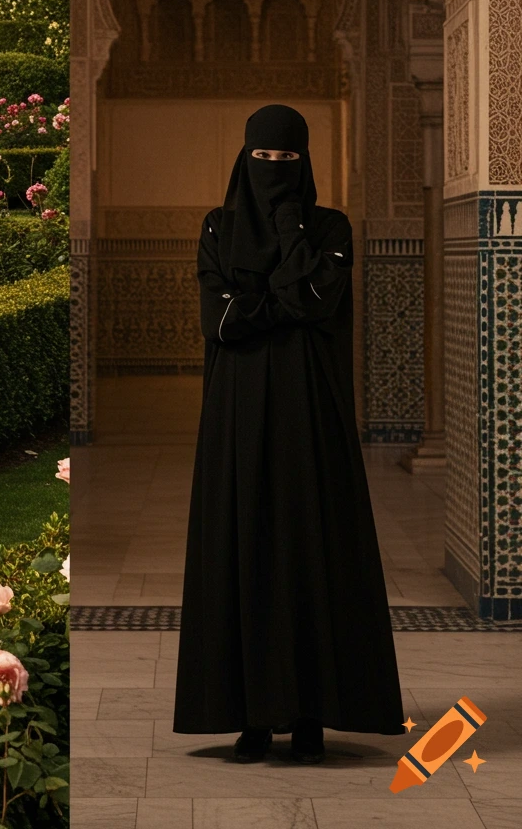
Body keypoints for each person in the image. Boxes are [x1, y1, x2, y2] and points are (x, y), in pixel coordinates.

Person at [173, 104, 404, 763]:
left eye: (286, 161)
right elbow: (219, 322)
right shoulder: (217, 227)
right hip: (236, 419)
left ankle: (309, 717)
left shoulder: (330, 226)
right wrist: (284, 295)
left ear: (304, 163)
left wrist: (284, 239)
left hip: (311, 416)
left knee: (309, 548)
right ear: (244, 158)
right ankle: (249, 718)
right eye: (263, 159)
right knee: (243, 548)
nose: (273, 171)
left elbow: (314, 302)